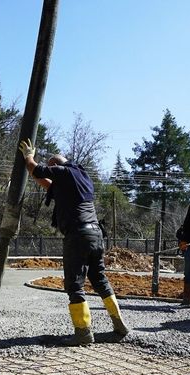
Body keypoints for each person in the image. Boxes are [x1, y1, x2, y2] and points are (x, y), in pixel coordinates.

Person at [19, 139, 129, 346]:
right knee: (100, 280)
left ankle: (83, 333)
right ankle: (119, 325)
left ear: (56, 166)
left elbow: (37, 169)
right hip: (96, 234)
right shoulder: (81, 176)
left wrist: (28, 156)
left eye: (52, 168)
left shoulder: (63, 171)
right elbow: (45, 182)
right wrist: (34, 170)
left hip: (78, 236)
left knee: (74, 284)